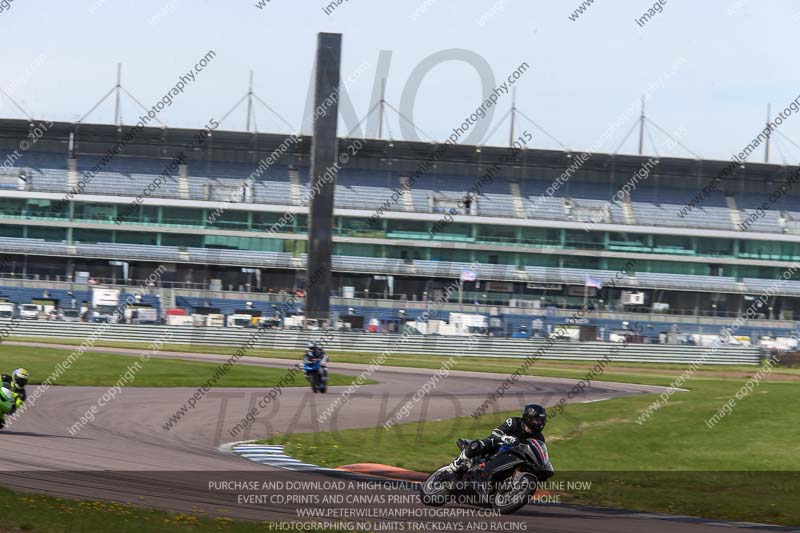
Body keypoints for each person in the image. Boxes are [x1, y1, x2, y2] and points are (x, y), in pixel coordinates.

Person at [446, 403, 547, 473]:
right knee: (485, 443)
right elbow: (496, 432)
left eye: (541, 420)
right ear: (528, 418)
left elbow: (539, 452)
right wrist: (505, 438)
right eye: (536, 420)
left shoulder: (539, 437)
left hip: (514, 457)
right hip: (498, 446)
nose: (539, 423)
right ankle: (458, 462)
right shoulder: (515, 422)